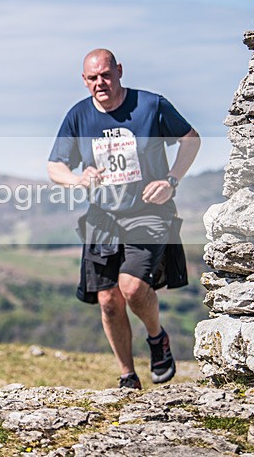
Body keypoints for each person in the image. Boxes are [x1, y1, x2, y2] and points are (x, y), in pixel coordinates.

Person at [47, 49, 200, 390]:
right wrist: (77, 179)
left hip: (149, 212)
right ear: (84, 81)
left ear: (119, 71)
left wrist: (171, 180)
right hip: (103, 217)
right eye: (92, 78)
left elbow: (191, 139)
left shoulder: (150, 106)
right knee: (108, 301)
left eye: (105, 74)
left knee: (131, 288)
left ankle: (157, 338)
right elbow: (55, 166)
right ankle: (127, 376)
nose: (100, 83)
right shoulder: (79, 115)